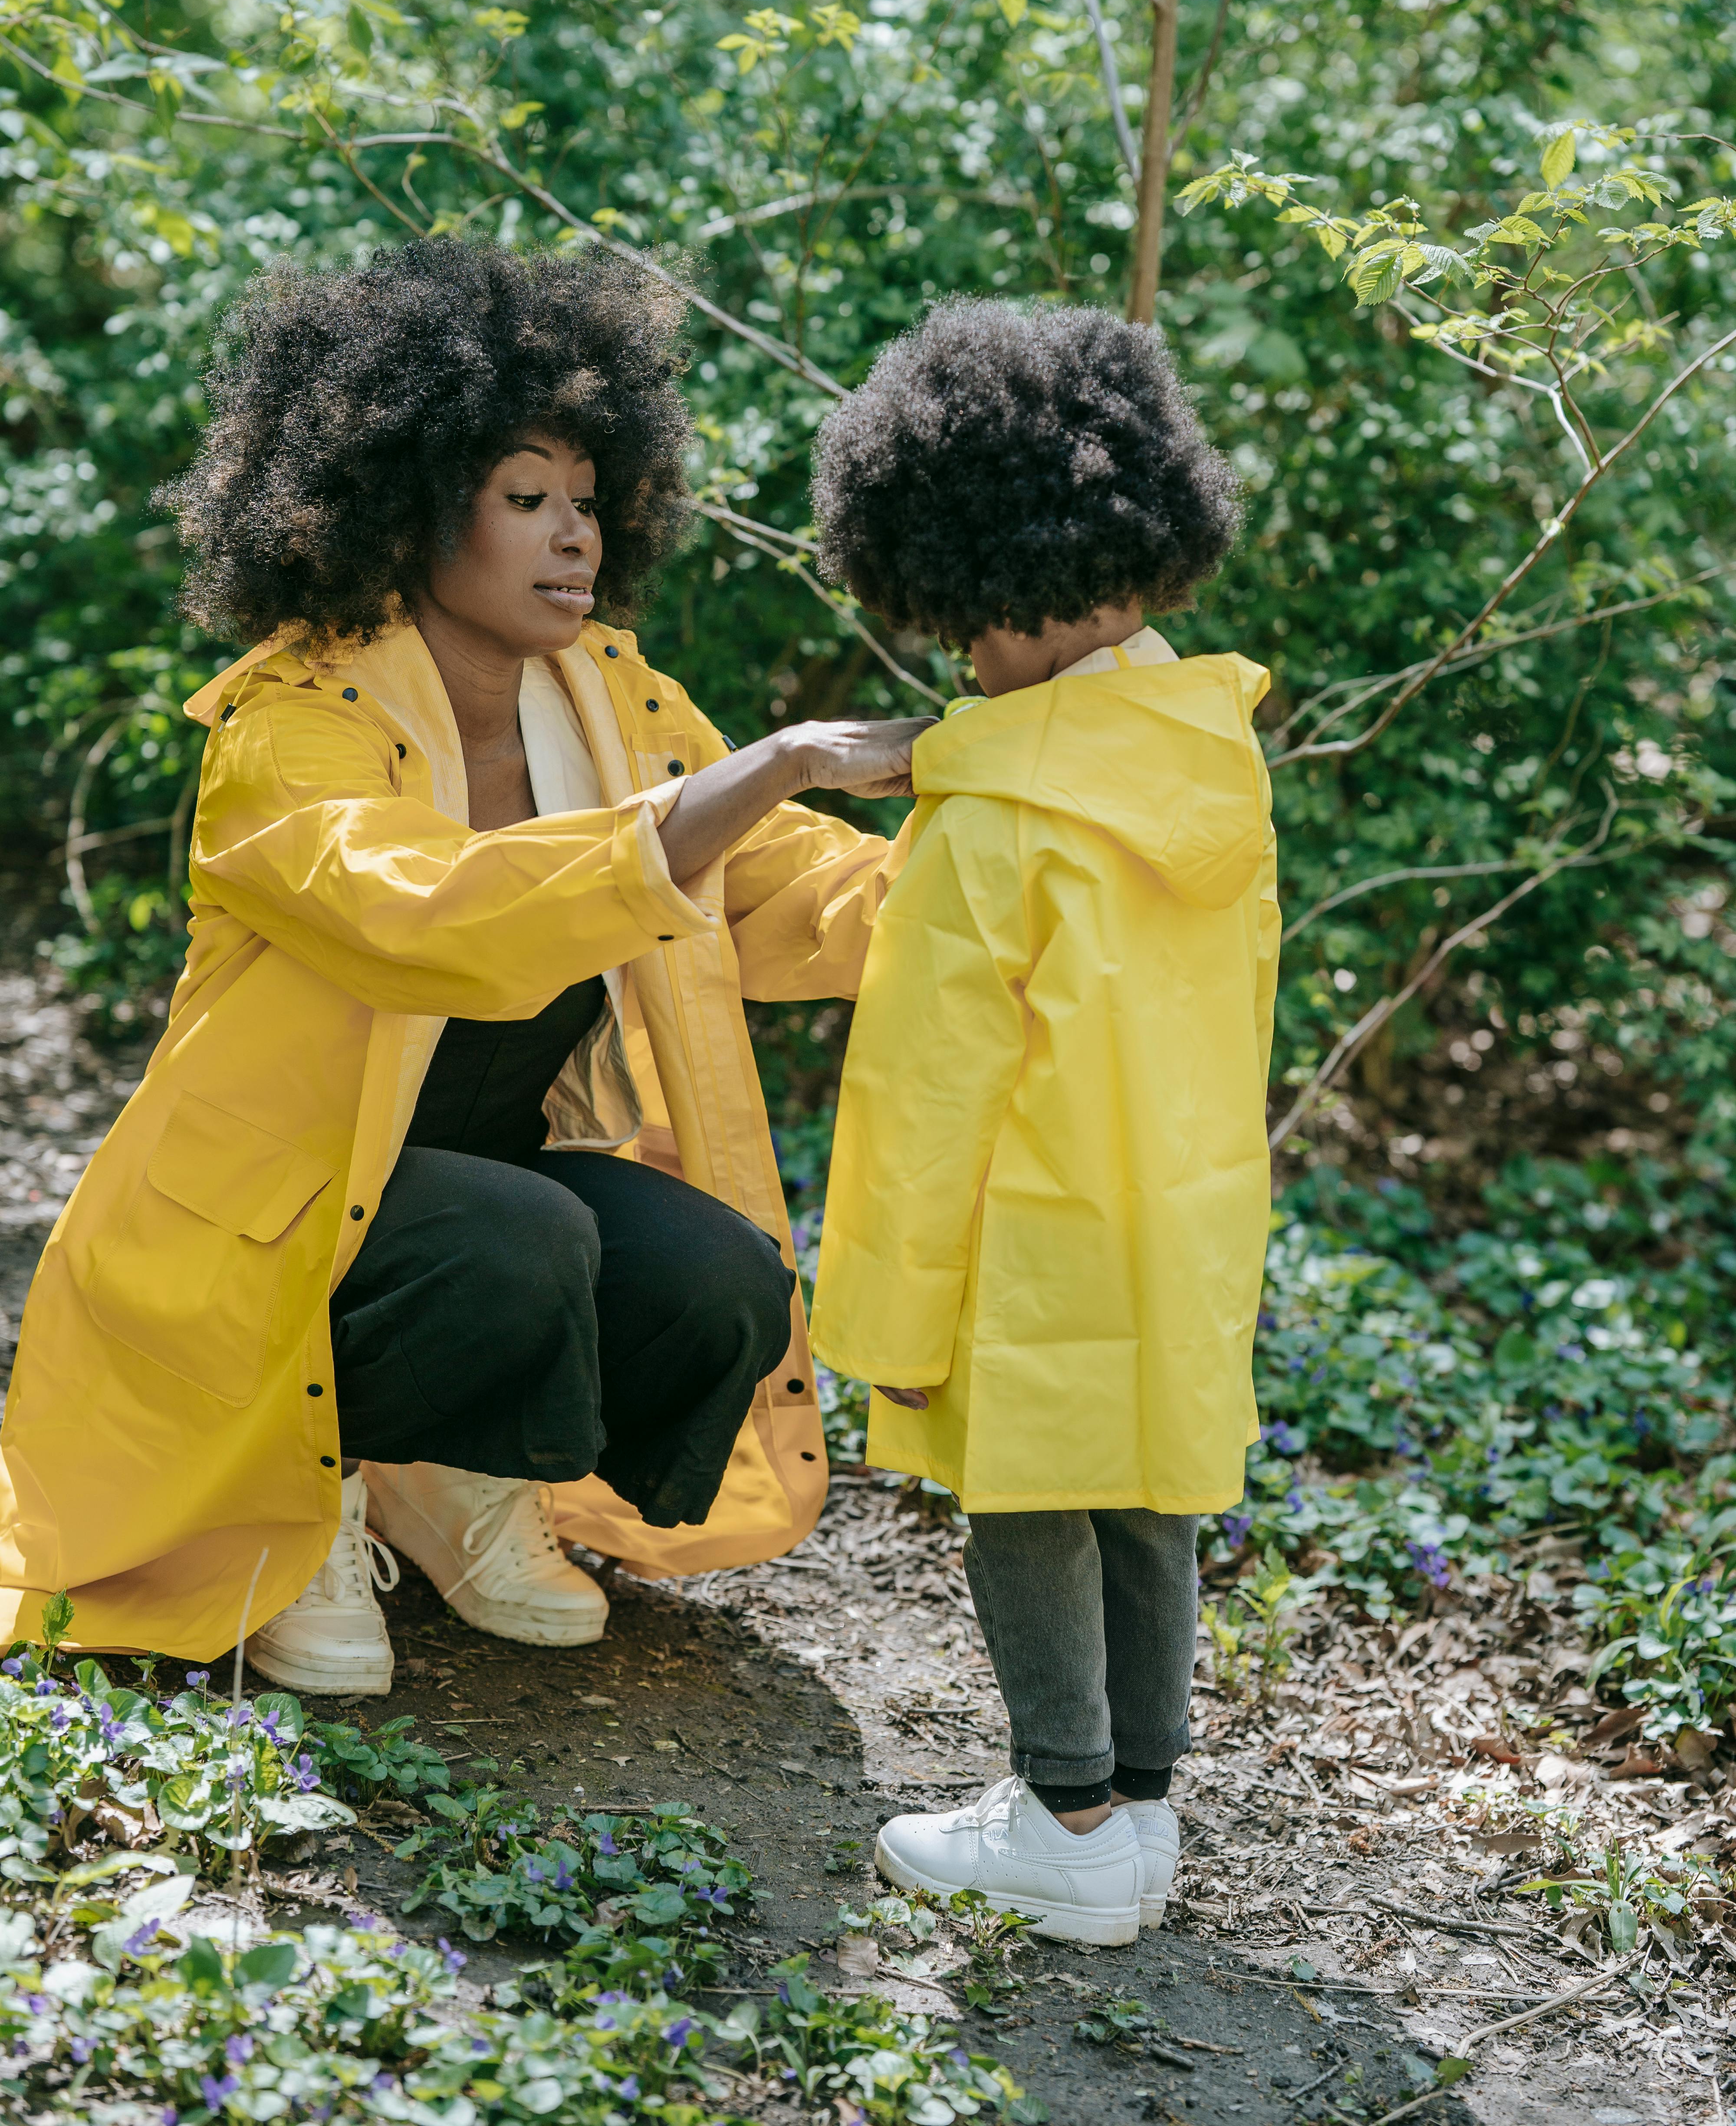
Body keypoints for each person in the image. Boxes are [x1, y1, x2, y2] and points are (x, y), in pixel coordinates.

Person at [0, 235, 925, 1691]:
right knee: (519, 1238)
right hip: (276, 1227)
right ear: (417, 510)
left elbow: (777, 891)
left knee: (723, 1281)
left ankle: (443, 1473)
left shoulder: (613, 698)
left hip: (474, 1197)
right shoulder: (287, 722)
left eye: (588, 499)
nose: (578, 538)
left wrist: (1023, 871)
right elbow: (433, 910)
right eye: (525, 500)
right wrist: (784, 760)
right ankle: (296, 1515)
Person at [807, 298, 1277, 1946]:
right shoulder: (1212, 750)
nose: (961, 660)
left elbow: (931, 1087)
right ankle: (1138, 1808)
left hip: (1029, 1227)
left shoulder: (995, 809)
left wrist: (888, 1308)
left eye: (962, 629)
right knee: (1151, 1488)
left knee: (1028, 1501)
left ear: (964, 587)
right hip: (1187, 1205)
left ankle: (1066, 1816)